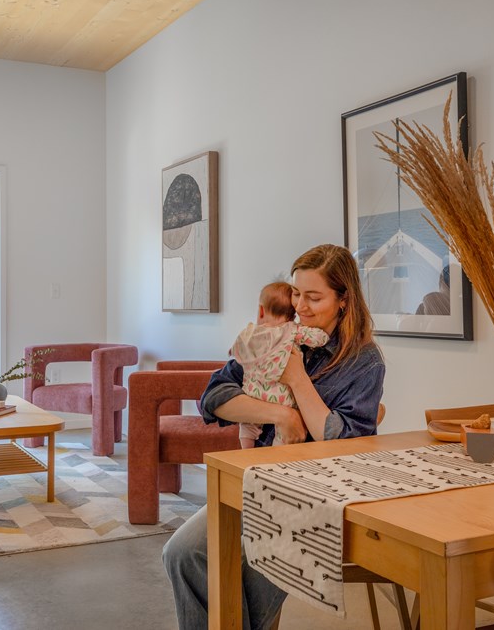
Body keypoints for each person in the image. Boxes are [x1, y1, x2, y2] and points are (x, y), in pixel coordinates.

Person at [163, 244, 386, 630]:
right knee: (181, 553)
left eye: (314, 297)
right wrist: (281, 415)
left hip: (313, 495)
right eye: (297, 293)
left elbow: (343, 442)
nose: (300, 306)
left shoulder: (363, 362)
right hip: (256, 480)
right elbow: (214, 396)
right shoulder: (279, 335)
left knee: (243, 580)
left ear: (344, 300)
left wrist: (297, 378)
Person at [232, 281, 329, 449]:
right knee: (283, 433)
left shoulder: (252, 332)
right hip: (281, 397)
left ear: (261, 310)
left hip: (253, 393)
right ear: (293, 314)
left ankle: (246, 451)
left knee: (247, 425)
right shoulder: (291, 330)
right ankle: (277, 451)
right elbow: (320, 338)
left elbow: (237, 350)